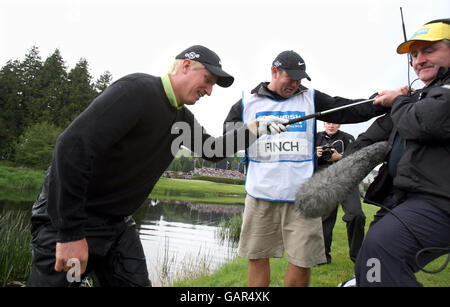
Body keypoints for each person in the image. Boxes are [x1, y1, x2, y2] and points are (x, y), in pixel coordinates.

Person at [27, 45, 289, 287]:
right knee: (67, 281)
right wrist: (70, 232)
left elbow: (213, 151)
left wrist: (253, 129)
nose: (209, 91)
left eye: (213, 86)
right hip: (70, 220)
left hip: (116, 228)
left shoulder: (182, 121)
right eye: (208, 80)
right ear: (185, 66)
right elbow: (72, 148)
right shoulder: (137, 91)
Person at [223, 50, 388, 287]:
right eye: (291, 78)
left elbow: (346, 109)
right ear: (274, 72)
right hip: (260, 194)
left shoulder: (310, 97)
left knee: (302, 261)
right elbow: (227, 141)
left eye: (300, 79)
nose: (295, 84)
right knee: (257, 257)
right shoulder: (247, 103)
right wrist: (253, 129)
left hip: (302, 197)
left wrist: (377, 103)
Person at [352, 19, 450, 287]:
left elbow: (423, 123)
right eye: (414, 55)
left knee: (382, 251)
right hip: (407, 198)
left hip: (438, 201)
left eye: (429, 50)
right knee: (369, 261)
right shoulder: (426, 95)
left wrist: (398, 100)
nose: (419, 60)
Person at [316, 122, 365, 265]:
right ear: (324, 123)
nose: (331, 126)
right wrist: (315, 154)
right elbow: (305, 162)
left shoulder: (348, 138)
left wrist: (339, 157)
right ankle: (322, 257)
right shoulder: (316, 137)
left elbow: (357, 160)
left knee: (356, 215)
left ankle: (357, 256)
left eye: (335, 123)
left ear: (339, 124)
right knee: (324, 220)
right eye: (328, 123)